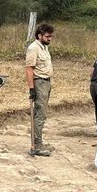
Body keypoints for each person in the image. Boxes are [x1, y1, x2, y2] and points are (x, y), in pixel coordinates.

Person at [25, 23, 54, 156]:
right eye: (48, 36)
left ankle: (39, 141)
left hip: (46, 82)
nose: (50, 39)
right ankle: (36, 145)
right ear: (39, 36)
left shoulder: (44, 47)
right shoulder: (33, 48)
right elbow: (29, 68)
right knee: (40, 115)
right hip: (39, 83)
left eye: (51, 36)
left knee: (43, 114)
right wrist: (32, 88)